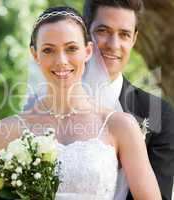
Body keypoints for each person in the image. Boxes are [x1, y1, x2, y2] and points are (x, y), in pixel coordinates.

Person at [0, 6, 161, 200]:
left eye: (71, 48)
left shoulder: (120, 125)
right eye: (48, 50)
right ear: (35, 54)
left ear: (88, 51)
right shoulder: (8, 130)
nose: (61, 60)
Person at [83, 0, 174, 199]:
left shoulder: (159, 114)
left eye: (124, 34)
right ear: (84, 33)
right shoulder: (48, 105)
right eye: (103, 31)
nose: (114, 45)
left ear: (134, 39)